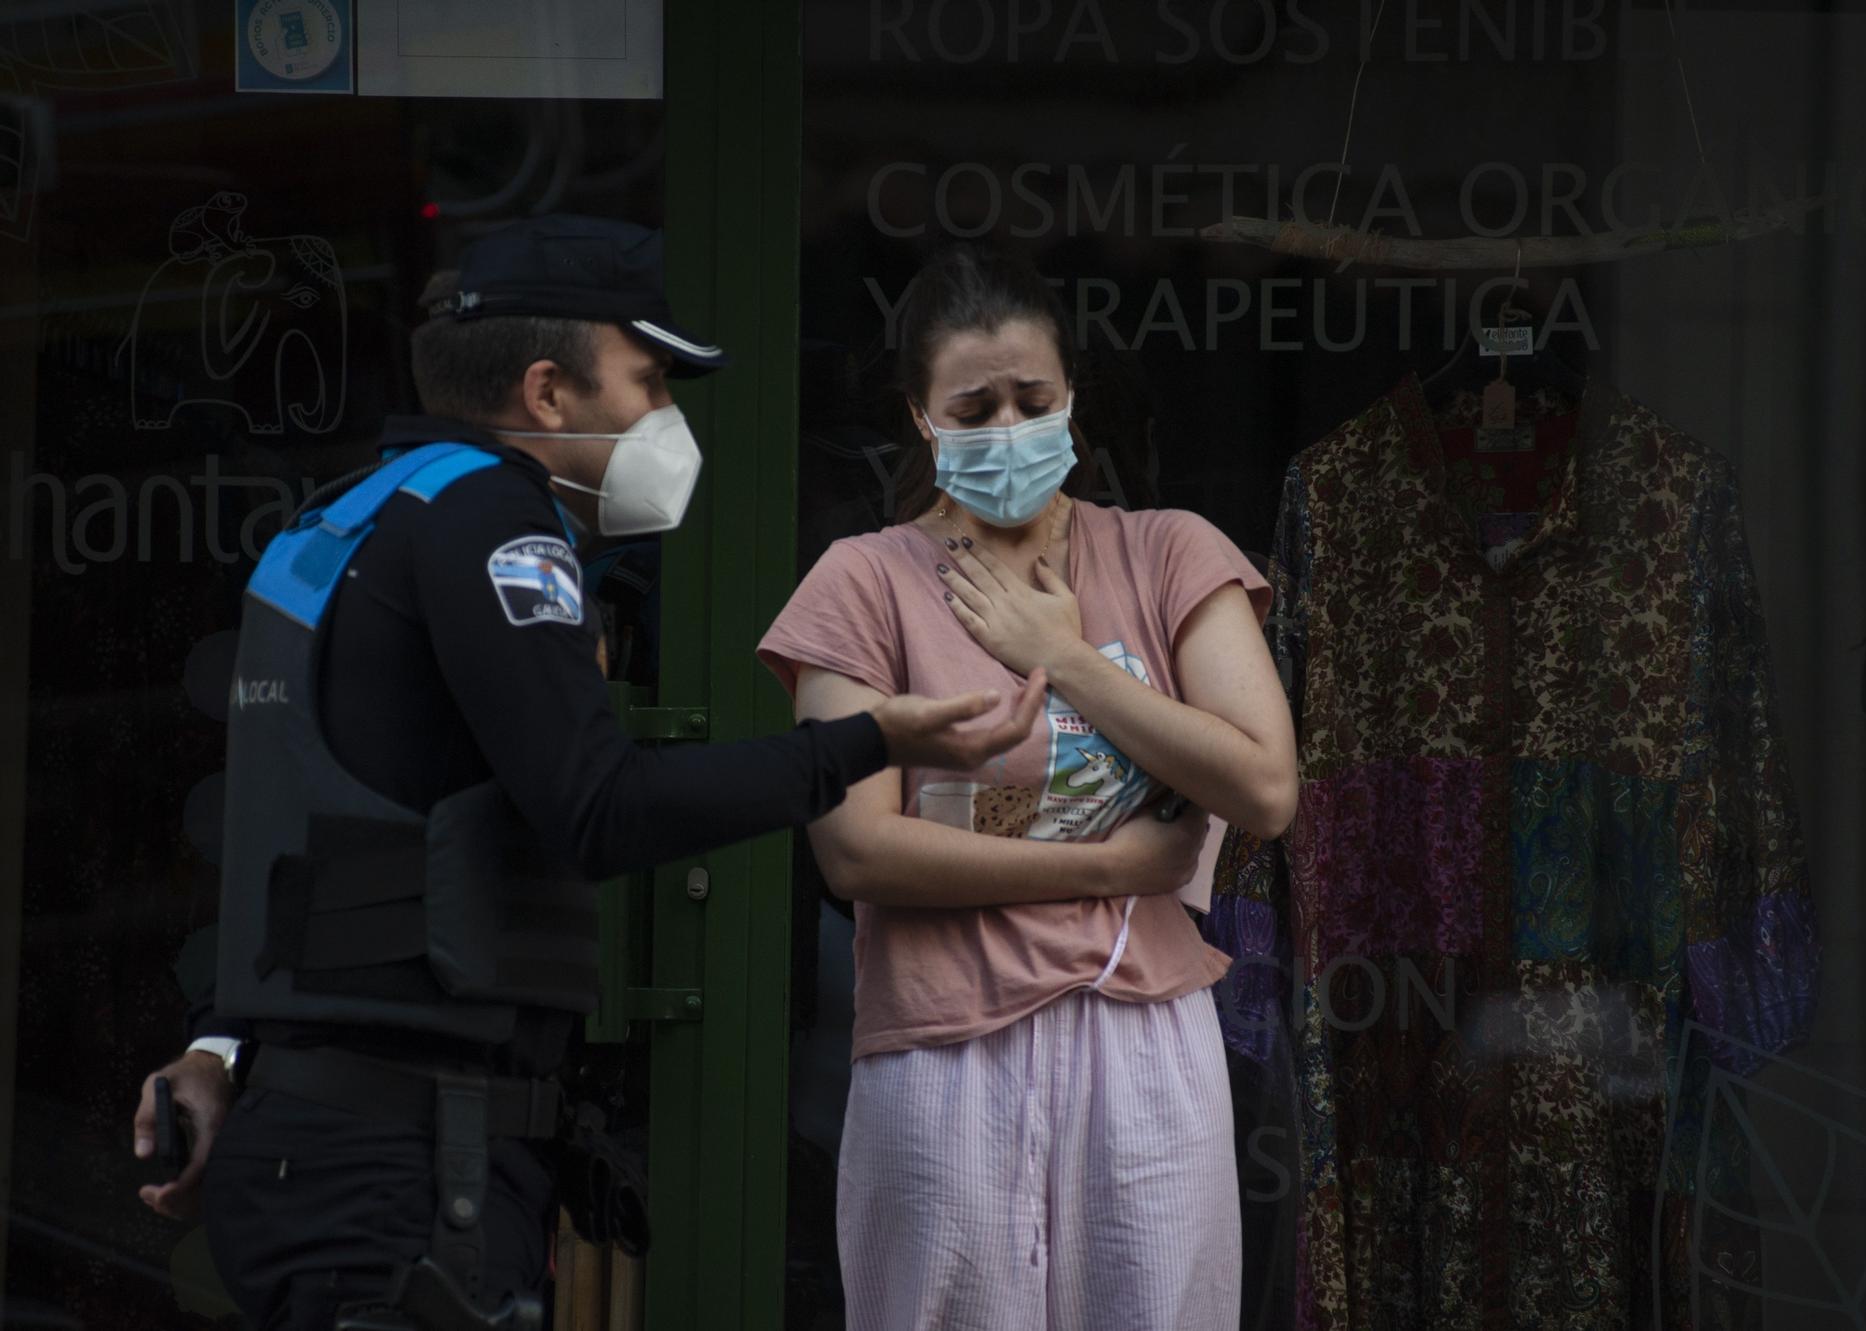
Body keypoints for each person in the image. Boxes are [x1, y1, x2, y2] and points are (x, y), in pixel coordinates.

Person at [129, 215, 1045, 1330]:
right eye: (648, 380)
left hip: (326, 1146)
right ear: (548, 392)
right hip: (402, 1173)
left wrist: (219, 1041)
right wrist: (868, 743)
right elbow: (598, 807)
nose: (663, 415)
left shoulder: (358, 511)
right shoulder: (491, 518)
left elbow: (306, 834)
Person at [756, 244, 1298, 1330]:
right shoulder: (860, 583)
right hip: (944, 1046)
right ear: (919, 414)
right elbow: (857, 851)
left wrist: (1073, 657)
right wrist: (1110, 864)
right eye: (973, 404)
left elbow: (1264, 785)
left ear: (1071, 397)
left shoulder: (1166, 554)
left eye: (1030, 398)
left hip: (1142, 1042)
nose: (1007, 427)